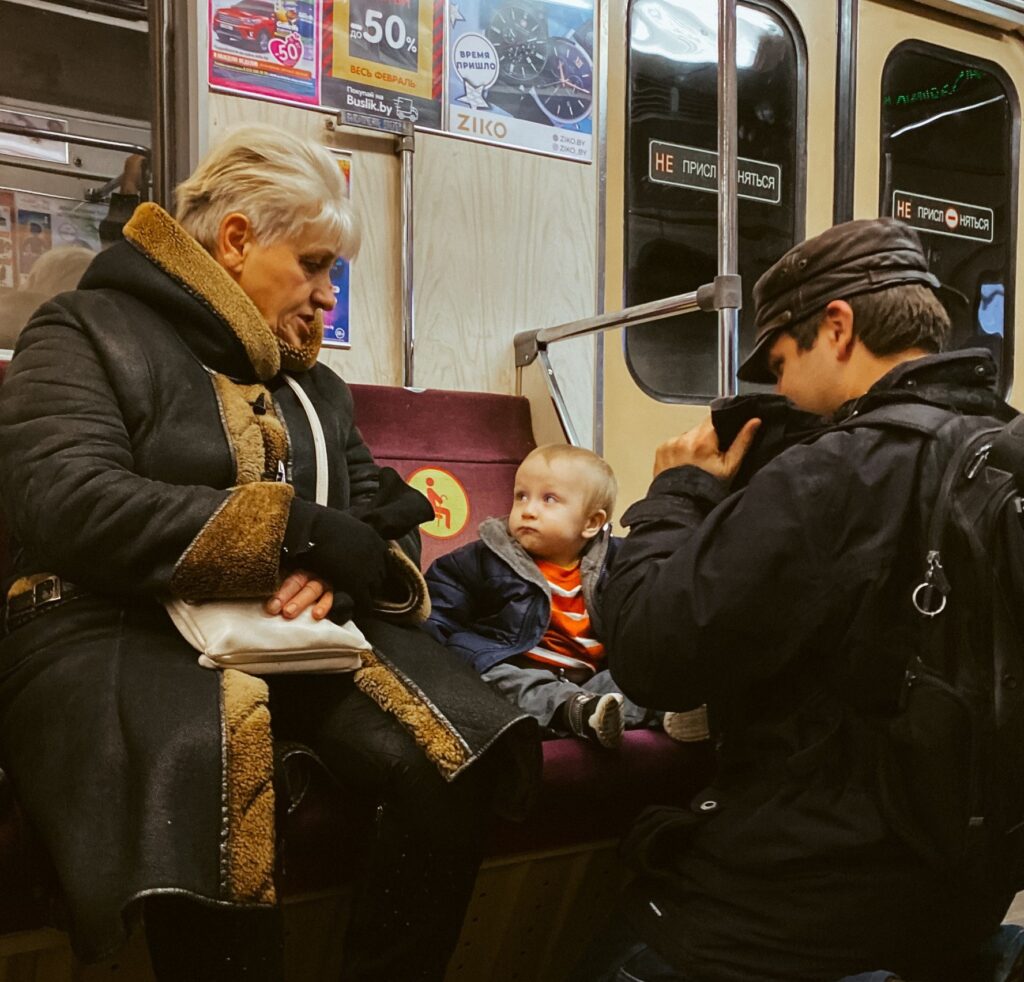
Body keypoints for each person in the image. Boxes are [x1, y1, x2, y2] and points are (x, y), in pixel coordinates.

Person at [0, 124, 538, 982]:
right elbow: (68, 501)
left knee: (456, 752)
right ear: (239, 239)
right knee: (208, 771)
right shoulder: (83, 330)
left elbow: (377, 520)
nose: (329, 297)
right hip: (109, 627)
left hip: (289, 635)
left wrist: (335, 564)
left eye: (335, 274)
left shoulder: (313, 387)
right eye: (316, 265)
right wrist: (296, 533)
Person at [571, 218, 1017, 982]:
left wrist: (677, 495)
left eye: (779, 361)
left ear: (836, 328)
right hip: (962, 891)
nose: (777, 391)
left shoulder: (833, 472)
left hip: (794, 905)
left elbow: (650, 650)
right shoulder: (1003, 451)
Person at [424, 444, 707, 749]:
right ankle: (575, 712)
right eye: (521, 495)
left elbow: (649, 605)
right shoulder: (484, 558)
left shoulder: (617, 563)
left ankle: (663, 711)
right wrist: (432, 664)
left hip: (589, 678)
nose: (528, 510)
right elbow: (439, 608)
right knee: (492, 677)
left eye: (549, 499)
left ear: (591, 523)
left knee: (632, 676)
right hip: (518, 668)